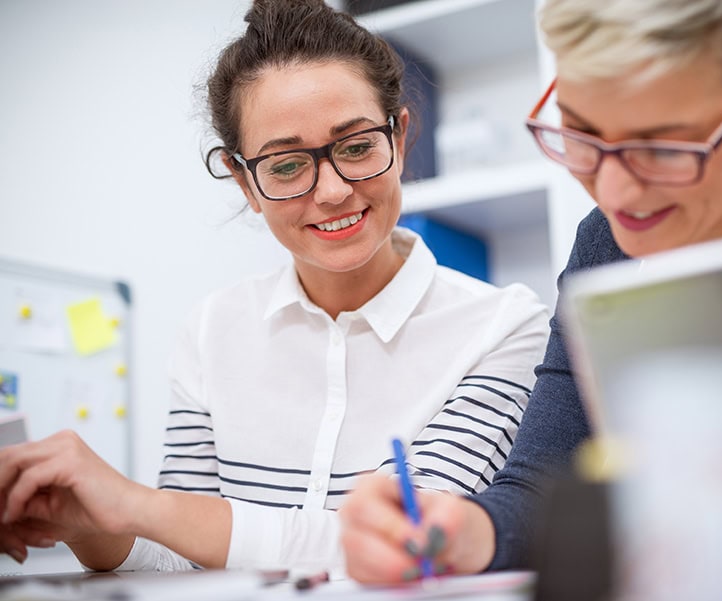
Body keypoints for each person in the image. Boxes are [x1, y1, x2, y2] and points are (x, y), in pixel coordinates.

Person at [338, 0, 722, 583]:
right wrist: (457, 530)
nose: (615, 192)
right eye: (581, 132)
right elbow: (543, 480)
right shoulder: (607, 243)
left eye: (662, 146)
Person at [0, 0, 549, 574]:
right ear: (245, 182)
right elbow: (179, 557)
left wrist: (138, 506)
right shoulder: (214, 328)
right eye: (287, 165)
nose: (333, 191)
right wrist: (91, 526)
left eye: (358, 146)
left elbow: (407, 543)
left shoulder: (503, 328)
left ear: (401, 137)